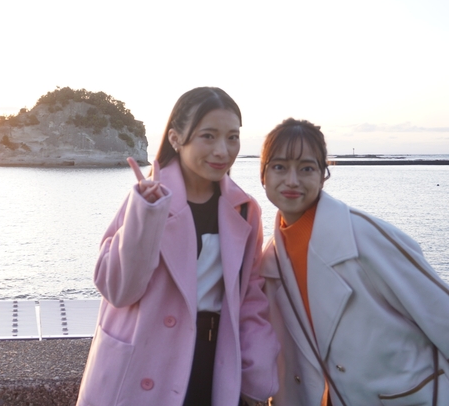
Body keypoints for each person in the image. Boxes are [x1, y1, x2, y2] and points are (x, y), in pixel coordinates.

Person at [76, 87, 279, 406]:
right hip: (146, 362)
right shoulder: (148, 199)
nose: (222, 150)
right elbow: (117, 290)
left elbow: (250, 297)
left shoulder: (243, 210)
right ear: (175, 139)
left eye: (232, 137)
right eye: (208, 136)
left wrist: (258, 372)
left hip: (212, 361)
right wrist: (145, 215)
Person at [258, 118, 449, 406]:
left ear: (323, 175)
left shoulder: (366, 237)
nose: (292, 180)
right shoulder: (269, 260)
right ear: (263, 175)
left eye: (307, 168)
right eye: (279, 167)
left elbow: (440, 313)